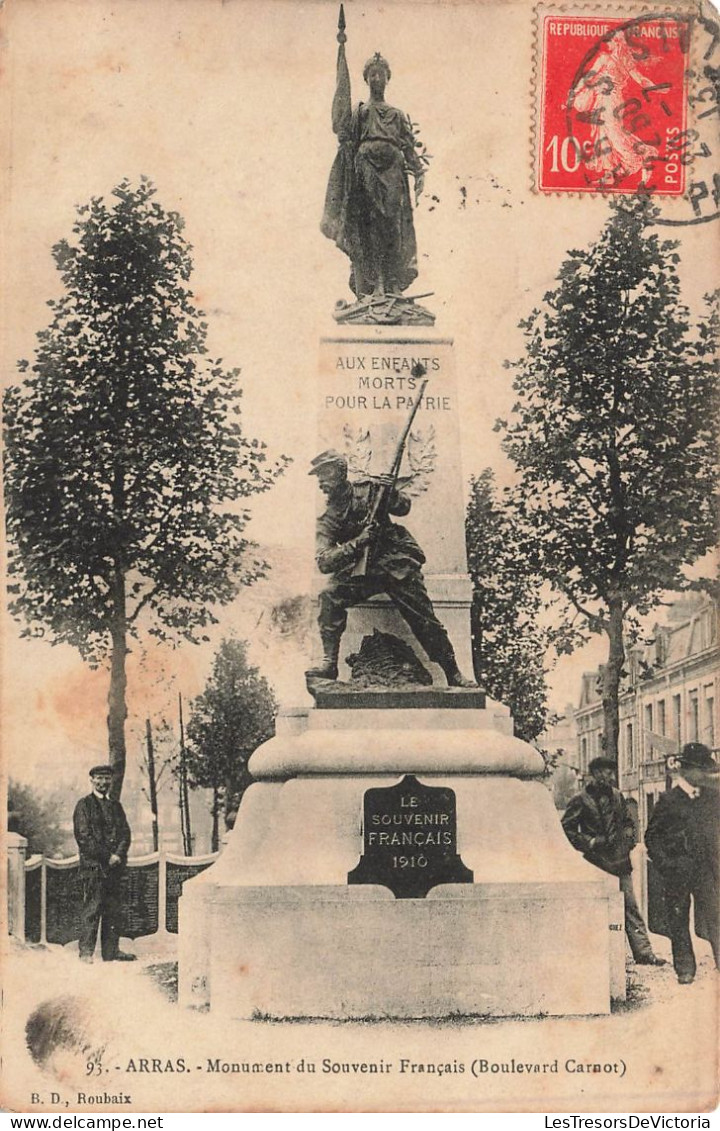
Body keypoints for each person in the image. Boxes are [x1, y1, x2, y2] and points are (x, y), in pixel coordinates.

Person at [306, 449, 473, 688]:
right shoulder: (328, 517)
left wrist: (391, 492)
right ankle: (329, 663)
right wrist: (358, 542)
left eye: (325, 474)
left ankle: (453, 672)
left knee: (424, 619)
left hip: (396, 562)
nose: (321, 482)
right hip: (365, 571)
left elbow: (403, 508)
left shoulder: (371, 489)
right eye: (319, 476)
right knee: (330, 596)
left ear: (340, 472)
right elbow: (324, 562)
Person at [321, 52, 426, 299]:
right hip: (366, 169)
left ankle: (393, 283)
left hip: (393, 171)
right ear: (367, 79)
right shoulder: (361, 113)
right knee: (372, 226)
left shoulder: (397, 115)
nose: (376, 78)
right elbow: (347, 141)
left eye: (381, 74)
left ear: (387, 79)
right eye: (372, 74)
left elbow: (408, 147)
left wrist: (419, 172)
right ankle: (376, 283)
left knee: (394, 226)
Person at [561, 756, 665, 966]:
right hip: (595, 862)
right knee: (596, 908)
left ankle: (644, 953)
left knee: (630, 906)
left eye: (611, 772)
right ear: (594, 774)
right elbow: (567, 828)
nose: (609, 777)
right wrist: (588, 842)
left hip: (619, 860)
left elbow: (629, 822)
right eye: (605, 773)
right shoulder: (580, 800)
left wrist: (628, 840)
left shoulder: (618, 796)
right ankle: (595, 955)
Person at [645, 743, 720, 984]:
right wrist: (667, 864)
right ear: (687, 770)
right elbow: (652, 837)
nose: (706, 775)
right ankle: (685, 968)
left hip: (707, 870)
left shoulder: (712, 798)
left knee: (716, 915)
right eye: (702, 770)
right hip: (678, 870)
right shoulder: (669, 800)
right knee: (678, 918)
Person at [73, 764, 135, 963]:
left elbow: (125, 833)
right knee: (92, 908)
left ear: (111, 781)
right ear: (91, 780)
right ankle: (86, 952)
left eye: (107, 778)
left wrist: (118, 854)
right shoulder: (83, 805)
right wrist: (107, 856)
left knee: (113, 909)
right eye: (99, 778)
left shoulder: (116, 806)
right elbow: (84, 837)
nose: (103, 782)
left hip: (115, 867)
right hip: (94, 867)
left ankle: (111, 952)